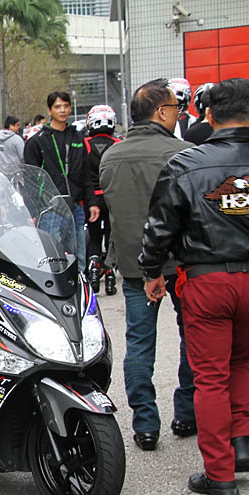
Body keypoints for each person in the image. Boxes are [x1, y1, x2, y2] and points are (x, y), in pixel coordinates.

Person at [139, 78, 249, 495]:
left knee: (210, 377)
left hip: (208, 280)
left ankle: (220, 473)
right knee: (242, 364)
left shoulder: (187, 163)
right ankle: (241, 443)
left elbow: (160, 228)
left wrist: (151, 271)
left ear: (207, 115)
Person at [100, 78, 196, 451]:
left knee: (139, 344)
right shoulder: (184, 153)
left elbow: (113, 215)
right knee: (192, 338)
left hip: (133, 265)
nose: (178, 114)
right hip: (182, 263)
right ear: (161, 112)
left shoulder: (111, 156)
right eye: (175, 108)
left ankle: (144, 424)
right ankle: (186, 414)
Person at [24, 90, 88, 271]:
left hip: (76, 206)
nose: (63, 110)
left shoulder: (79, 138)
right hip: (50, 208)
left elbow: (86, 173)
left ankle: (81, 292)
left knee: (79, 256)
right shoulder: (37, 141)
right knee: (53, 258)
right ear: (49, 110)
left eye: (66, 106)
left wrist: (92, 202)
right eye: (58, 106)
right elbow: (29, 179)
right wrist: (33, 210)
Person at [83, 104, 120, 264]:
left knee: (94, 236)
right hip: (113, 198)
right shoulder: (118, 143)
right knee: (112, 236)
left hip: (92, 198)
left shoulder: (85, 143)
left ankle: (94, 265)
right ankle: (111, 268)